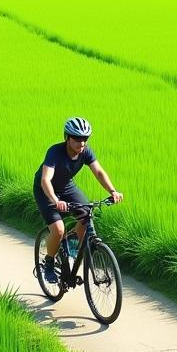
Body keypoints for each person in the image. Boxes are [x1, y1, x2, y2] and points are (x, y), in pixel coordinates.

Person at [34, 117, 123, 284]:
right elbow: (45, 180)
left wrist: (112, 190)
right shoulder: (55, 152)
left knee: (86, 215)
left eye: (85, 139)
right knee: (58, 230)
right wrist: (55, 200)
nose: (81, 143)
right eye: (77, 138)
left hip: (67, 187)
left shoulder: (86, 152)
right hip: (45, 191)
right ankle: (49, 263)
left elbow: (98, 172)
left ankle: (70, 244)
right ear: (67, 137)